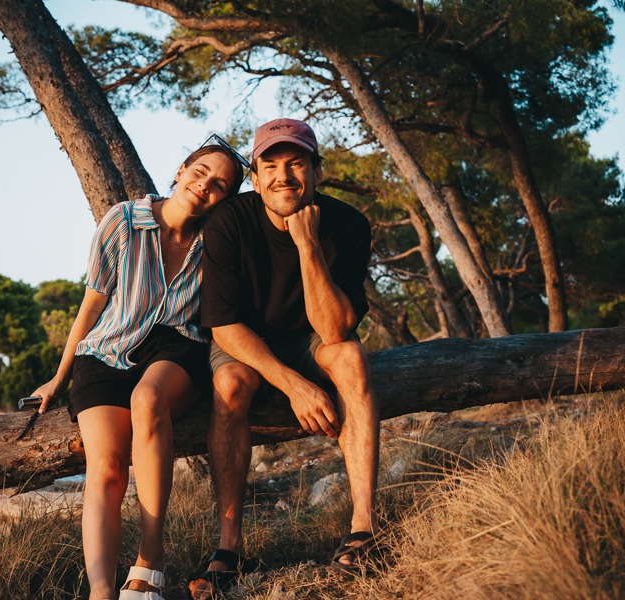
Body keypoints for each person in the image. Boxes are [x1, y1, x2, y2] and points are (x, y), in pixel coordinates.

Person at [30, 136, 248, 600]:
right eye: (200, 172)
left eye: (220, 186)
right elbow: (91, 305)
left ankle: (151, 559)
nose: (205, 186)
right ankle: (102, 591)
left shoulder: (217, 240)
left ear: (225, 200)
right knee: (106, 468)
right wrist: (59, 375)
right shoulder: (123, 221)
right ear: (179, 170)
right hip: (107, 351)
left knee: (147, 400)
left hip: (176, 348)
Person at [188, 118, 379, 598]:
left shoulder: (349, 225)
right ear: (255, 177)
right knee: (231, 385)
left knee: (351, 359)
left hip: (311, 337)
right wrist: (296, 385)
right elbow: (224, 325)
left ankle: (362, 530)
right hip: (246, 341)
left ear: (317, 171)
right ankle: (229, 549)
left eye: (296, 164)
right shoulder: (229, 221)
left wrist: (307, 244)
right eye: (270, 165)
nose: (283, 176)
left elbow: (335, 328)